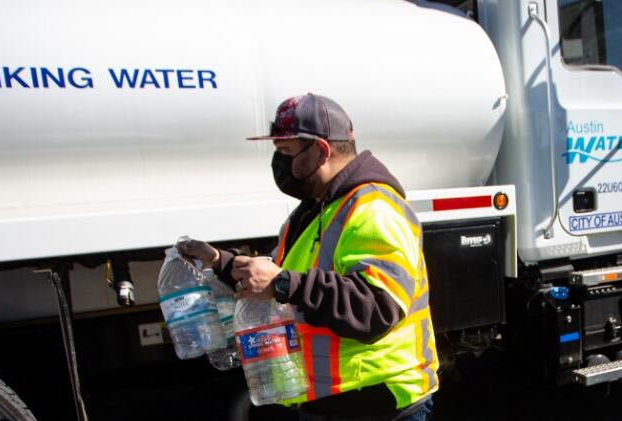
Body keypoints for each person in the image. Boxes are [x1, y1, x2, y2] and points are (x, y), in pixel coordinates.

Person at [179, 94, 438, 420]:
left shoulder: (373, 209)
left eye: (285, 152)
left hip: (380, 403)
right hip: (333, 402)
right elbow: (275, 280)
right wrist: (220, 261)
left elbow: (377, 309)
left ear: (321, 151)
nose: (279, 163)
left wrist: (285, 283)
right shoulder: (314, 212)